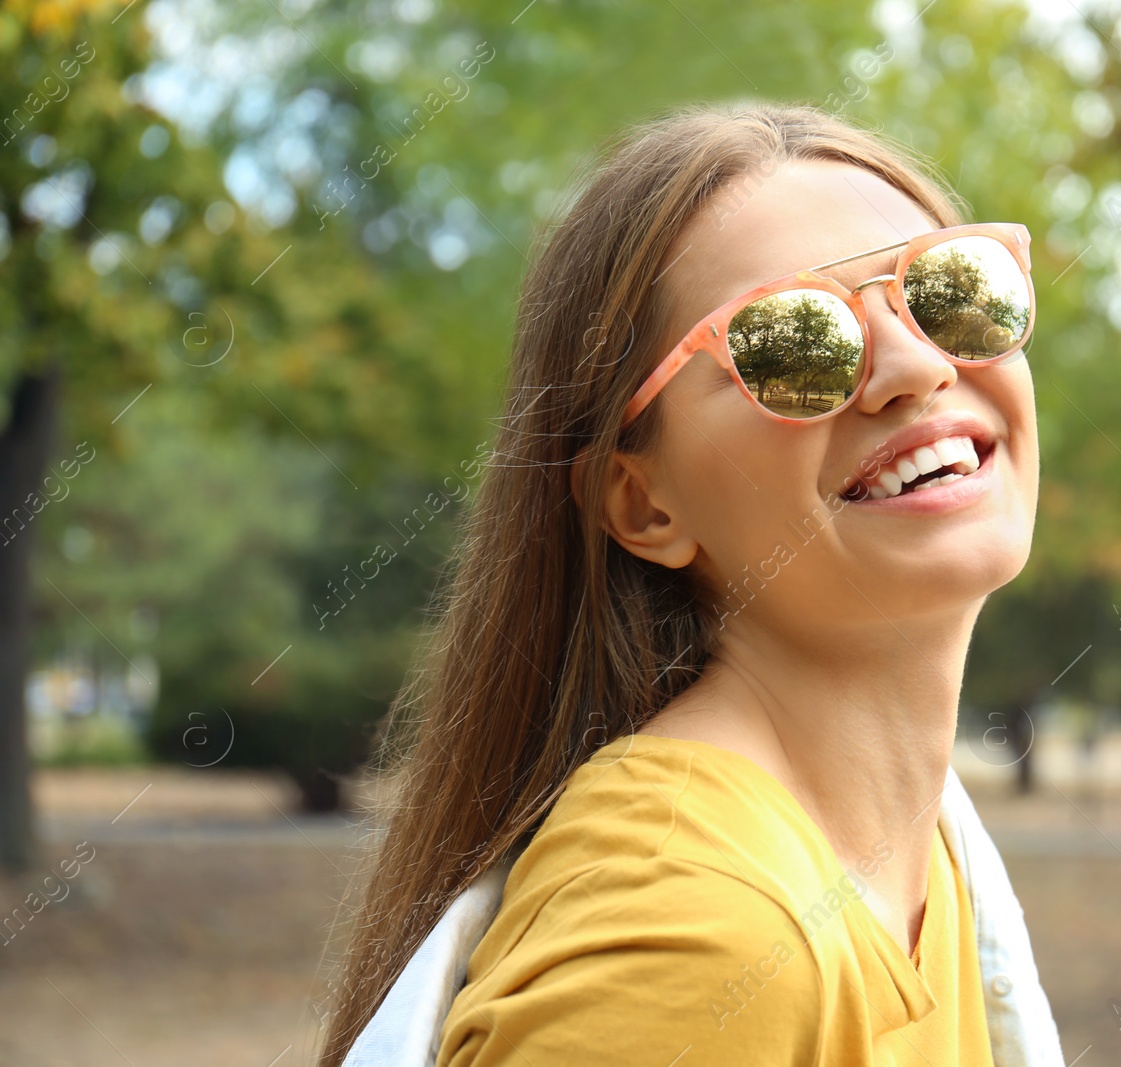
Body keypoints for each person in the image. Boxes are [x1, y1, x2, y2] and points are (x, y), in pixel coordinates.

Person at [318, 101, 1064, 1067]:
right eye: (793, 345)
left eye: (953, 290)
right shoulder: (699, 938)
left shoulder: (922, 865)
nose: (917, 367)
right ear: (643, 504)